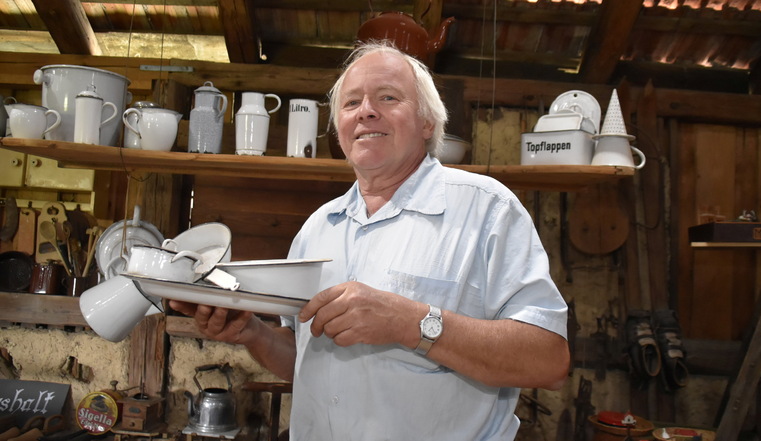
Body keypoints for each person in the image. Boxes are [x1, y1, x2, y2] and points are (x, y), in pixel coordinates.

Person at [170, 41, 570, 441]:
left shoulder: (486, 209)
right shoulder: (317, 228)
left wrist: (409, 322)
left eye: (388, 97)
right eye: (351, 103)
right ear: (340, 128)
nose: (366, 111)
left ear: (428, 122)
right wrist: (253, 333)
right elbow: (306, 361)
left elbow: (548, 359)